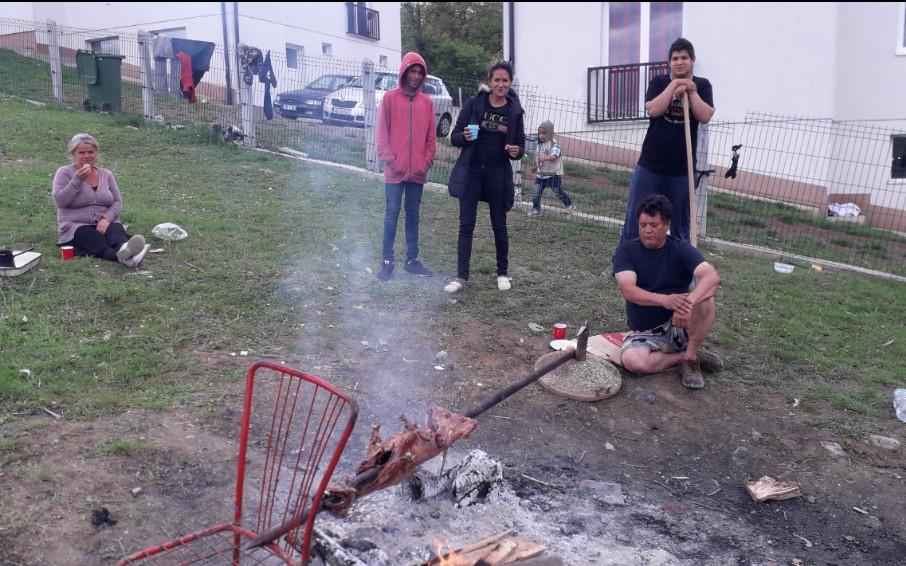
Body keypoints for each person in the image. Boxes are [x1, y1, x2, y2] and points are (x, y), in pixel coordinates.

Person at [612, 195, 722, 389]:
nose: (647, 230)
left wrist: (687, 304)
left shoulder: (680, 248)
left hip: (681, 324)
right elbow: (628, 290)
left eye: (653, 225)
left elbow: (712, 277)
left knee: (706, 301)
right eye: (643, 224)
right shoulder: (626, 251)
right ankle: (684, 357)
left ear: (667, 224)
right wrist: (665, 300)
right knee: (632, 362)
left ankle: (690, 357)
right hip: (646, 332)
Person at [620, 37, 714, 244]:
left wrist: (691, 89)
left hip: (682, 169)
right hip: (651, 164)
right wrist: (674, 86)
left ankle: (682, 268)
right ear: (669, 62)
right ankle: (624, 261)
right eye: (675, 58)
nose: (679, 62)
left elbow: (705, 115)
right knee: (637, 217)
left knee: (680, 224)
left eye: (684, 58)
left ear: (693, 60)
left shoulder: (703, 85)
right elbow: (654, 110)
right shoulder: (659, 82)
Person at [444, 61, 525, 293]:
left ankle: (502, 273)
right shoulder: (474, 103)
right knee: (466, 224)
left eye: (505, 80)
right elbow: (455, 137)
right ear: (490, 81)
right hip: (472, 171)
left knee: (499, 225)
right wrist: (465, 136)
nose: (500, 84)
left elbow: (520, 146)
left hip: (498, 173)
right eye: (496, 80)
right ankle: (461, 277)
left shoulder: (514, 111)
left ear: (510, 83)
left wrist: (516, 151)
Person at [375, 52, 437, 281]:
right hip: (395, 171)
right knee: (391, 214)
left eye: (420, 72)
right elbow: (381, 133)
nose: (416, 76)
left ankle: (412, 260)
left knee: (413, 216)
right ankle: (387, 261)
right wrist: (390, 159)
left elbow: (431, 138)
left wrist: (426, 162)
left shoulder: (427, 103)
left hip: (417, 172)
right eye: (413, 70)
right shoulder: (390, 99)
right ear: (404, 71)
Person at [53, 134, 150, 266]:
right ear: (73, 154)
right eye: (81, 152)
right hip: (76, 226)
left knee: (116, 228)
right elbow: (61, 201)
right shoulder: (64, 173)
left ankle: (124, 248)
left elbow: (117, 201)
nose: (87, 156)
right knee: (90, 236)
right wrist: (77, 180)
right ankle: (124, 257)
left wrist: (107, 218)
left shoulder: (106, 174)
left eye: (91, 152)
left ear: (96, 154)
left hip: (104, 223)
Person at [529, 120, 574, 216]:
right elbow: (539, 158)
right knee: (536, 193)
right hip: (541, 175)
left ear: (549, 133)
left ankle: (569, 205)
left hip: (552, 175)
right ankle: (536, 210)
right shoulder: (539, 145)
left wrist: (545, 158)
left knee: (558, 192)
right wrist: (536, 167)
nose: (541, 135)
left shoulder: (554, 144)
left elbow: (555, 156)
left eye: (544, 133)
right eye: (540, 133)